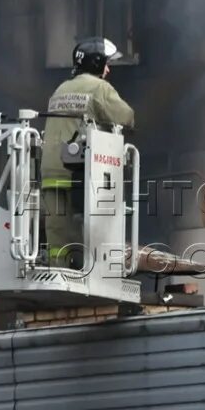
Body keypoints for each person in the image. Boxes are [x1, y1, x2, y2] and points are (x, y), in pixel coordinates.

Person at [40, 36, 135, 268]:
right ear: (96, 63)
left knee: (58, 232)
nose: (108, 69)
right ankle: (92, 269)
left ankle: (58, 270)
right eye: (106, 63)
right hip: (78, 174)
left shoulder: (61, 88)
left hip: (50, 172)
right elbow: (127, 117)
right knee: (93, 230)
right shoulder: (99, 87)